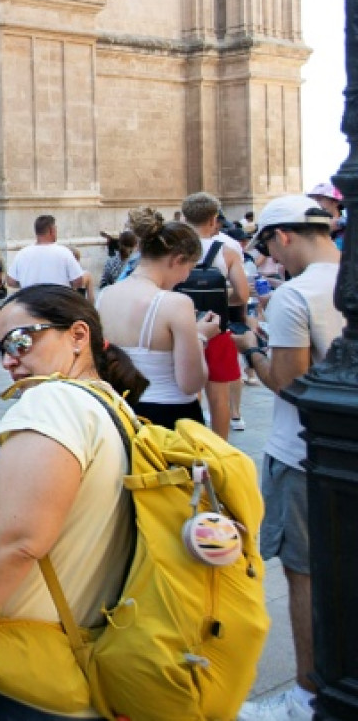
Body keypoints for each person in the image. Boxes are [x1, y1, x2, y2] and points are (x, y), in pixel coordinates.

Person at [0, 286, 142, 721]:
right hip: (79, 660)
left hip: (23, 672)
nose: (7, 360)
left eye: (20, 341)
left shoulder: (50, 400)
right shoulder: (112, 406)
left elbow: (18, 540)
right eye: (0, 347)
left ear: (78, 335)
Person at [231, 195, 342, 721]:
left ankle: (306, 693)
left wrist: (250, 347)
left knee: (304, 574)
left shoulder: (295, 297)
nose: (272, 261)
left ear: (286, 237)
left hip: (302, 455)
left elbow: (290, 384)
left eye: (271, 249)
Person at [95, 208, 218, 430]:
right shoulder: (175, 303)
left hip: (118, 412)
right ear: (177, 260)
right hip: (168, 415)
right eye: (189, 268)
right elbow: (191, 383)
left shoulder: (104, 296)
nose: (186, 277)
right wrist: (199, 336)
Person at [181, 192, 251, 436]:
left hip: (183, 331)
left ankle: (191, 445)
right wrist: (221, 301)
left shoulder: (173, 250)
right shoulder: (227, 251)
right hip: (217, 330)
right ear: (213, 219)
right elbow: (242, 295)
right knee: (219, 398)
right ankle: (219, 453)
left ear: (184, 218)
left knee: (188, 395)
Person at [6, 215, 86, 291]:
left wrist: (26, 282)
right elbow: (78, 281)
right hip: (57, 300)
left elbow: (11, 281)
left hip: (30, 301)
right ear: (52, 230)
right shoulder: (64, 253)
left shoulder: (22, 254)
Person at [307, 180, 346, 249]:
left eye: (319, 199)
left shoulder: (348, 227)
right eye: (313, 200)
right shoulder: (310, 226)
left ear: (335, 202)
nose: (315, 203)